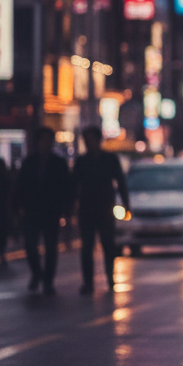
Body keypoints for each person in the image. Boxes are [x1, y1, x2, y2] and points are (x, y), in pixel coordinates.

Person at [14, 127, 71, 294]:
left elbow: (65, 188)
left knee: (51, 247)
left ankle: (48, 280)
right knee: (30, 245)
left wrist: (64, 210)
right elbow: (20, 186)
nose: (46, 143)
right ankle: (37, 272)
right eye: (43, 140)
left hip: (51, 211)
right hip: (32, 210)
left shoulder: (59, 163)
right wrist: (18, 207)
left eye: (49, 140)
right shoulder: (29, 162)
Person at [72, 126, 129, 294]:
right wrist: (71, 208)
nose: (88, 143)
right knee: (87, 246)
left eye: (90, 140)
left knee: (108, 245)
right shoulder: (82, 161)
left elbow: (120, 182)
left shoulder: (110, 159)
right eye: (86, 140)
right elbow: (74, 185)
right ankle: (88, 282)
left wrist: (126, 204)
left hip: (105, 207)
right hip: (87, 208)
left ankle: (110, 278)